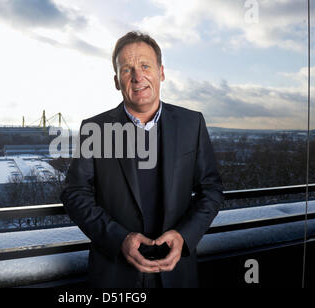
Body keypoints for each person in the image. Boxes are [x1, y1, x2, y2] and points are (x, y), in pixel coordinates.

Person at [60, 31, 224, 288]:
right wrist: (118, 239)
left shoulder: (192, 124)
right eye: (127, 70)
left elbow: (211, 189)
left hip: (177, 274)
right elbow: (74, 193)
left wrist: (184, 236)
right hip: (114, 276)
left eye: (145, 66)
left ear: (161, 72)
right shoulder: (96, 129)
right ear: (117, 81)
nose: (138, 77)